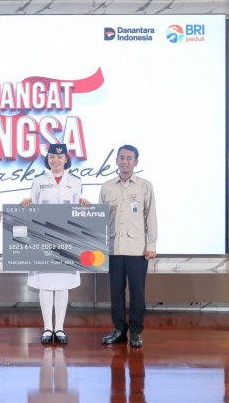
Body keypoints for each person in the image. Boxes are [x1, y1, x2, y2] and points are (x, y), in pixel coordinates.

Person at [20, 144, 90, 345]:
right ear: (47, 159)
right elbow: (32, 209)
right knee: (45, 283)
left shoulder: (75, 181)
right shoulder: (38, 181)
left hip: (66, 239)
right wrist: (25, 205)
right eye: (52, 157)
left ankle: (59, 328)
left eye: (59, 157)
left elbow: (77, 212)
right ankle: (47, 328)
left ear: (66, 159)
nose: (55, 160)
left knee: (62, 284)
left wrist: (84, 205)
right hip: (43, 239)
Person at [99, 145, 157, 347]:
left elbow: (151, 216)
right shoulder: (107, 186)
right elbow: (100, 219)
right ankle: (119, 329)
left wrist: (151, 244)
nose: (125, 161)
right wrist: (99, 246)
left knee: (137, 292)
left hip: (137, 249)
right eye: (121, 157)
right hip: (113, 248)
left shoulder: (145, 186)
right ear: (116, 160)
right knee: (116, 292)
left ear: (136, 162)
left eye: (129, 158)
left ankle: (136, 331)